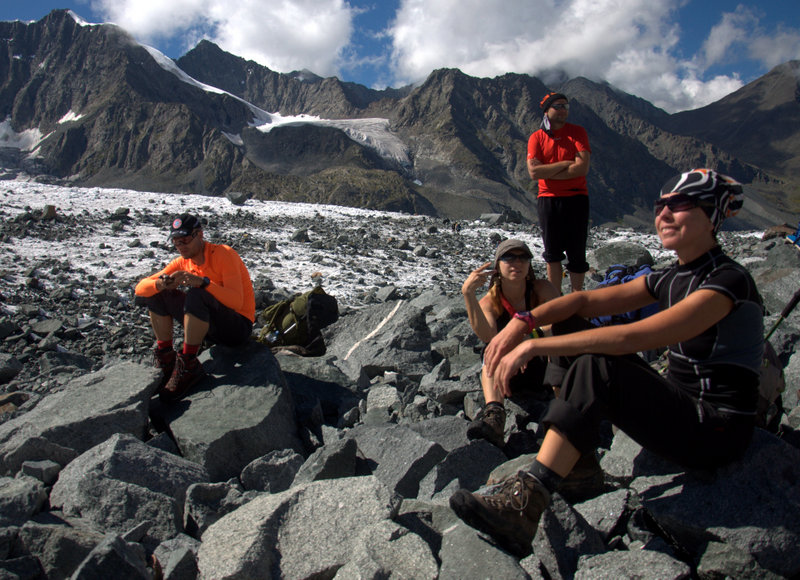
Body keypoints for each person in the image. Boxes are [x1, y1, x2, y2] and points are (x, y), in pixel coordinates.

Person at [450, 169, 763, 557]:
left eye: (680, 205)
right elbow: (583, 301)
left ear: (712, 215)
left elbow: (633, 337)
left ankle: (527, 501)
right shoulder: (673, 277)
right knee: (569, 323)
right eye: (660, 205)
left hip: (716, 431)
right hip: (683, 408)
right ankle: (578, 464)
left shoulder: (726, 281)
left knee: (598, 365)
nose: (664, 215)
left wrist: (532, 346)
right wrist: (525, 321)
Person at [135, 213, 256, 401]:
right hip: (211, 328)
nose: (181, 246)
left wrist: (203, 283)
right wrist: (161, 284)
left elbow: (236, 302)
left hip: (237, 328)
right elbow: (140, 289)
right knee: (158, 293)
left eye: (184, 240)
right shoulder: (181, 262)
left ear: (199, 234)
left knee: (197, 295)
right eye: (176, 242)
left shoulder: (223, 254)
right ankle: (167, 360)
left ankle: (189, 364)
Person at [461, 239, 559, 446]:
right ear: (498, 266)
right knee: (491, 350)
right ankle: (495, 415)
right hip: (509, 373)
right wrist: (468, 294)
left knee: (556, 341)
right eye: (509, 257)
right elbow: (487, 336)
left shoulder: (543, 290)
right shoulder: (491, 301)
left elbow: (559, 322)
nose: (517, 262)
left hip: (544, 366)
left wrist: (528, 340)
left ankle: (563, 405)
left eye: (523, 257)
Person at [528, 92, 591, 293]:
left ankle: (577, 297)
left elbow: (582, 168)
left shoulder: (577, 132)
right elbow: (534, 172)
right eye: (558, 106)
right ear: (547, 110)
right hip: (549, 200)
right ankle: (555, 298)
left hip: (576, 198)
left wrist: (548, 171)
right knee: (552, 253)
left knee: (577, 252)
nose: (564, 109)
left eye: (566, 106)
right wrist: (565, 163)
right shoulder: (537, 137)